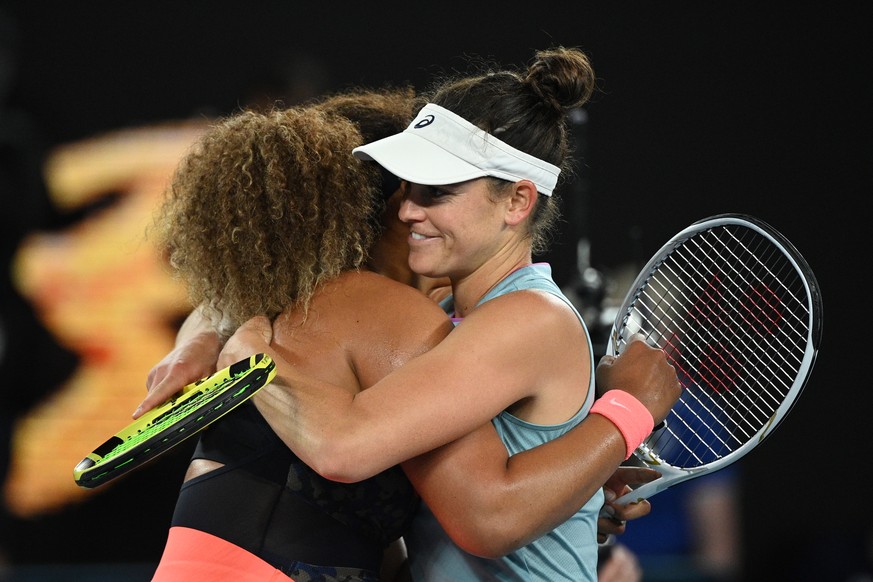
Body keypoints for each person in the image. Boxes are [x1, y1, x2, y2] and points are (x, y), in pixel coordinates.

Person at [140, 46, 681, 581]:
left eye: (437, 192)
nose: (407, 210)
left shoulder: (529, 317)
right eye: (405, 189)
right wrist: (576, 486)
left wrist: (625, 414)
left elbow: (357, 455)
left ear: (518, 202)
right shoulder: (447, 316)